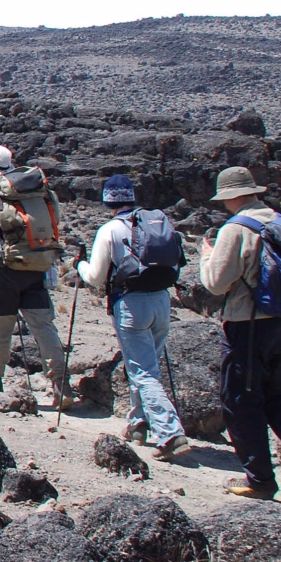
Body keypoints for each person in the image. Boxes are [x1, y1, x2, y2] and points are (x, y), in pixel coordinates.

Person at [201, 166, 281, 503]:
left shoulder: (236, 229)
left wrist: (206, 256)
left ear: (230, 197)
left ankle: (260, 481)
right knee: (278, 397)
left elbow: (215, 283)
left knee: (240, 402)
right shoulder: (277, 220)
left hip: (247, 325)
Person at [76, 175, 188, 460]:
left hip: (131, 305)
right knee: (147, 366)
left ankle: (171, 434)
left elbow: (95, 277)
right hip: (162, 302)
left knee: (143, 372)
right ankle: (138, 424)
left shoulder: (110, 229)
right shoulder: (158, 223)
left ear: (108, 201)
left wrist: (80, 265)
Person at [0, 144, 74, 407]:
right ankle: (61, 384)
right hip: (37, 268)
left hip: (1, 272)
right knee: (43, 326)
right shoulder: (34, 191)